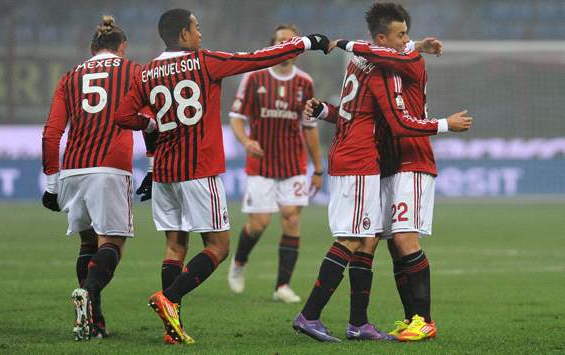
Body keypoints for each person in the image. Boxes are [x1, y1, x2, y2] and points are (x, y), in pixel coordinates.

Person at [114, 8, 330, 344]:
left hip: (164, 173)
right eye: (196, 28)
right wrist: (306, 43)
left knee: (175, 246)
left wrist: (152, 124)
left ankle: (172, 327)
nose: (200, 34)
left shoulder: (145, 73)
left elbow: (124, 115)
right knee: (219, 246)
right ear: (184, 34)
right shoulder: (204, 60)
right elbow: (256, 59)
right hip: (199, 169)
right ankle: (169, 298)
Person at [293, 4, 473, 342]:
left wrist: (408, 48)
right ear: (381, 38)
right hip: (375, 161)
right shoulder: (379, 62)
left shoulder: (392, 63)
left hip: (408, 160)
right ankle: (354, 321)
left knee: (387, 239)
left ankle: (417, 320)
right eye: (401, 35)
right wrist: (325, 109)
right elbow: (368, 113)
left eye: (408, 34)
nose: (407, 41)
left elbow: (391, 113)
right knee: (369, 240)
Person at [42, 16, 152, 341]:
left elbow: (51, 134)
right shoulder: (134, 71)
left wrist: (51, 183)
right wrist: (153, 163)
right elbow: (146, 119)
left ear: (92, 49)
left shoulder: (70, 76)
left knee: (88, 243)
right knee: (113, 244)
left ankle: (95, 322)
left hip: (73, 169)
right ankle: (87, 295)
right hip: (110, 168)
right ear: (123, 47)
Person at [227, 24, 323, 304]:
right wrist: (246, 142)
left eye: (292, 42)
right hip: (261, 163)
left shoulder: (304, 82)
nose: (287, 46)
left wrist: (317, 168)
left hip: (293, 163)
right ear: (272, 46)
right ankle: (239, 262)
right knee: (259, 223)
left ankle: (282, 285)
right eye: (282, 41)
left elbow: (309, 126)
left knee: (292, 218)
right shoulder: (255, 77)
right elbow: (235, 116)